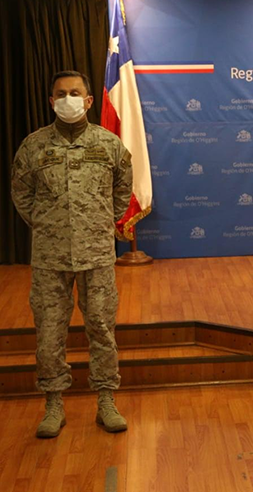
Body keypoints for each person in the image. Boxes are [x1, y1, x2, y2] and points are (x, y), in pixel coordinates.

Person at [11, 70, 133, 438]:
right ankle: (53, 404)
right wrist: (48, 224)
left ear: (89, 100)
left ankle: (106, 399)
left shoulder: (109, 144)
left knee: (102, 328)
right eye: (61, 94)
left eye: (75, 93)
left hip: (96, 254)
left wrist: (97, 222)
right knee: (49, 332)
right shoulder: (33, 146)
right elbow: (21, 194)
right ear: (51, 101)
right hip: (50, 257)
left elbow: (122, 191)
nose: (68, 99)